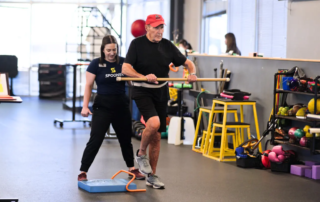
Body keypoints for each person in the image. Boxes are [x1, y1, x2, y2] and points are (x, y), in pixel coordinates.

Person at [122, 14, 197, 189]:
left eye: (161, 27)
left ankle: (152, 175)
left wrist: (192, 73)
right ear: (147, 27)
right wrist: (143, 77)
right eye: (156, 27)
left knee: (156, 136)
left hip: (161, 92)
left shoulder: (167, 46)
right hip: (142, 90)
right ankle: (141, 153)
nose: (159, 31)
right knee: (154, 123)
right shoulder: (137, 44)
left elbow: (188, 63)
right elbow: (126, 68)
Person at [78, 35, 145, 181]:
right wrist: (84, 106)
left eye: (114, 50)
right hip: (102, 106)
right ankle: (83, 171)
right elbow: (88, 86)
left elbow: (133, 81)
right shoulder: (96, 64)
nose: (112, 53)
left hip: (121, 105)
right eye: (108, 50)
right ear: (103, 50)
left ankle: (132, 168)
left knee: (125, 139)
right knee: (95, 139)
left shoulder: (123, 63)